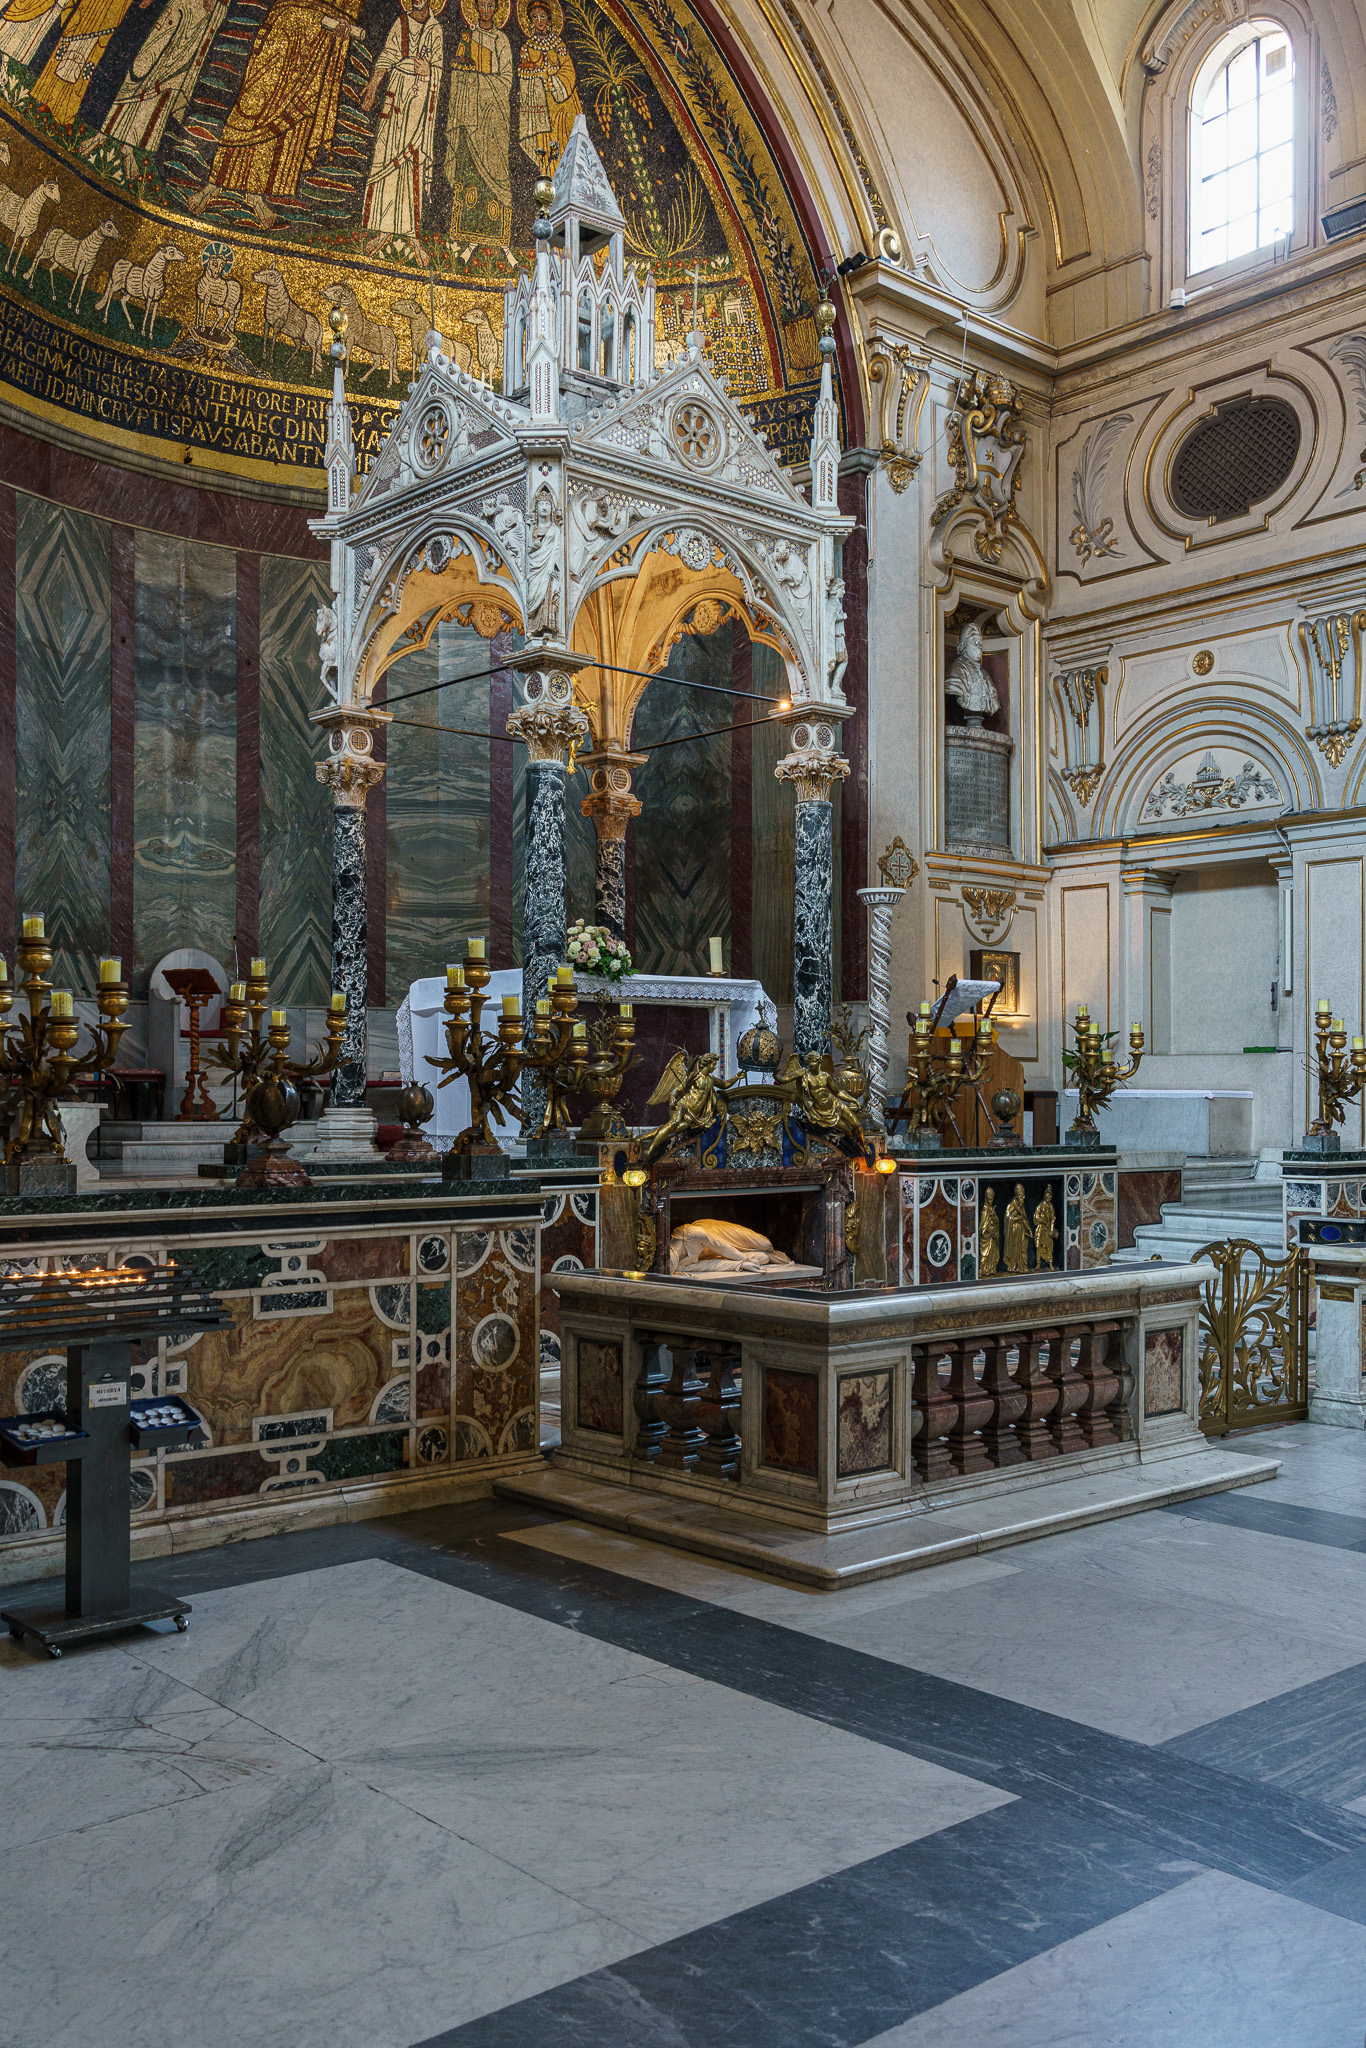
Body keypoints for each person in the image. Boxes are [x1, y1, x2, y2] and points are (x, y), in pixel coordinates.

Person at [184, 0, 364, 229]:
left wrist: (343, 25)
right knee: (253, 106)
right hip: (286, 28)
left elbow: (349, 9)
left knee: (295, 117)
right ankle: (214, 184)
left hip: (321, 41)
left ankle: (257, 195)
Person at [93, 0, 231, 166]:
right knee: (142, 70)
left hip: (199, 23)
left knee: (165, 90)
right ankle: (103, 133)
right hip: (177, 15)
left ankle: (131, 148)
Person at [360, 0, 445, 260]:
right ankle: (383, 230)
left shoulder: (436, 29)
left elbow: (440, 69)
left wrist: (430, 71)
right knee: (387, 154)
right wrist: (373, 85)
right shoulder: (401, 22)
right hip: (396, 92)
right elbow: (388, 55)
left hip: (420, 99)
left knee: (411, 160)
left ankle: (413, 237)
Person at [445, 0, 511, 244]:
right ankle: (462, 236)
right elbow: (457, 69)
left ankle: (498, 238)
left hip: (494, 114)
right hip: (469, 115)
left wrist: (479, 79)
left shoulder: (501, 40)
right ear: (475, 7)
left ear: (496, 9)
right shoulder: (467, 37)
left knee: (496, 168)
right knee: (468, 170)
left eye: (490, 6)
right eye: (481, 5)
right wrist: (465, 74)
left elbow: (506, 80)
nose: (486, 10)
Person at [516, 0, 577, 169]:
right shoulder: (527, 47)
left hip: (563, 101)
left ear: (549, 18)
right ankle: (550, 175)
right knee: (546, 144)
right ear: (530, 20)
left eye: (542, 16)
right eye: (535, 17)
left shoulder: (558, 44)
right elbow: (523, 73)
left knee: (566, 140)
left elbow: (569, 69)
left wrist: (553, 81)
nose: (539, 21)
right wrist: (533, 73)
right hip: (541, 104)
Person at [945, 619, 999, 723]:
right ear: (964, 646)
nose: (979, 646)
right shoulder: (956, 670)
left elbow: (994, 702)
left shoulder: (985, 675)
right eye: (975, 642)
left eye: (980, 643)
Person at [1003, 1183, 1030, 1274]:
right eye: (1022, 1196)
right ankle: (1013, 1266)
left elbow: (1024, 1217)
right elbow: (1008, 1219)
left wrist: (1027, 1228)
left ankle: (1022, 1267)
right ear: (1017, 1196)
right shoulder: (1011, 1206)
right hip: (1014, 1231)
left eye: (1024, 1195)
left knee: (1023, 1249)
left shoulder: (1021, 1206)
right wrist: (1016, 1219)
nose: (1024, 1197)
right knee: (1014, 1249)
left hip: (1022, 1231)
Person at [1032, 1186, 1057, 1271]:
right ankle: (1038, 1264)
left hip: (1048, 1230)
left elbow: (1052, 1219)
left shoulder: (1051, 1206)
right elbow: (1036, 1217)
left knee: (1050, 1247)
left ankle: (1051, 1264)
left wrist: (1052, 1230)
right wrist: (1043, 1221)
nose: (1048, 1196)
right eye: (1046, 1195)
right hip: (1041, 1228)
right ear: (1044, 1195)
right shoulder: (1040, 1205)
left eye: (1049, 1195)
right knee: (1038, 1245)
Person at [979, 1187, 1000, 1278]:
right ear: (986, 1198)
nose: (991, 1200)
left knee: (992, 1254)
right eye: (989, 1198)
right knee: (985, 1255)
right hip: (987, 1237)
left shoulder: (991, 1209)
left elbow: (996, 1221)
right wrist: (992, 1232)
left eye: (992, 1198)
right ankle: (982, 1270)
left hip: (992, 1237)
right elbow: (983, 1227)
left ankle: (991, 1270)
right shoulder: (984, 1210)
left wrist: (995, 1219)